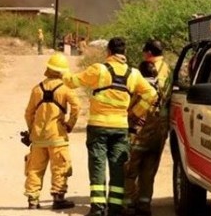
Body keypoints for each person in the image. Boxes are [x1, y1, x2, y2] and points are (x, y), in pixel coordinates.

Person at [62, 37, 158, 216]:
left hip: (98, 127)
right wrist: (135, 113)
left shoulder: (98, 69)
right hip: (120, 127)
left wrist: (63, 71)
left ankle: (98, 209)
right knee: (118, 168)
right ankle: (115, 208)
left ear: (108, 52)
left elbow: (72, 82)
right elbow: (152, 94)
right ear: (124, 53)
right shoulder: (134, 74)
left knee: (98, 166)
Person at [23, 53, 81, 210]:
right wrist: (69, 124)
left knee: (35, 168)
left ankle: (33, 200)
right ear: (62, 71)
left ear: (48, 69)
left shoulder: (37, 89)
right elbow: (77, 107)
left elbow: (28, 113)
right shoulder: (65, 88)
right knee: (60, 167)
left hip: (38, 137)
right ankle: (58, 198)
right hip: (57, 136)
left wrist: (32, 130)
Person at [124, 40, 173, 216]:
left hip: (140, 130)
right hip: (160, 128)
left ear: (149, 54)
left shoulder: (142, 78)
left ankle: (128, 204)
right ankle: (144, 204)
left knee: (130, 168)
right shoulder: (168, 70)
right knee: (149, 169)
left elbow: (133, 105)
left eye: (145, 53)